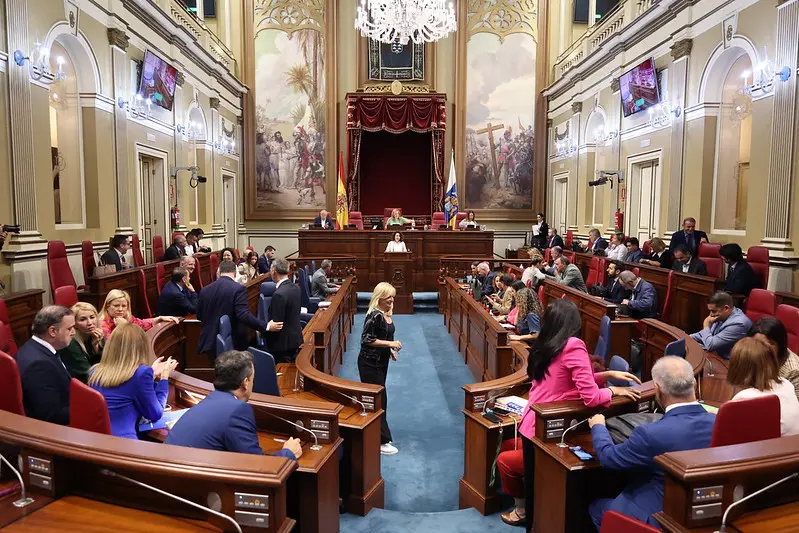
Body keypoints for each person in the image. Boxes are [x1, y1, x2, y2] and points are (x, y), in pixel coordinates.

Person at [511, 299, 641, 528]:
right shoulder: (573, 345)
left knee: (535, 489)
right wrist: (611, 389)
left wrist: (605, 374)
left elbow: (562, 380)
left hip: (532, 422)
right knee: (548, 493)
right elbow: (591, 398)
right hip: (549, 427)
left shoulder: (547, 342)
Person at [587, 356, 716, 528]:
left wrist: (598, 426)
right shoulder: (719, 423)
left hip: (656, 517)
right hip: (702, 513)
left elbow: (608, 458)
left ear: (657, 389)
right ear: (693, 383)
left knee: (596, 507)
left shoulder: (650, 434)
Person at [165, 350, 302, 459]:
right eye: (252, 379)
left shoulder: (210, 400)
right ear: (245, 382)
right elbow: (258, 467)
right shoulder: (238, 410)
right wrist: (288, 453)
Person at [88, 324, 177, 440]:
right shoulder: (141, 374)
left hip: (96, 440)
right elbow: (155, 413)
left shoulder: (95, 371)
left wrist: (152, 374)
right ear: (141, 347)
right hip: (125, 443)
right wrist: (164, 378)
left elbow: (126, 386)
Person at [359, 282, 403, 456]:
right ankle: (381, 440)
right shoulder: (374, 315)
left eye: (393, 296)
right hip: (369, 363)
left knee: (380, 398)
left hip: (381, 362)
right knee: (379, 399)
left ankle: (377, 435)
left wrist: (390, 350)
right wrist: (390, 344)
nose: (391, 300)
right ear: (379, 298)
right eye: (388, 297)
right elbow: (367, 339)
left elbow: (384, 335)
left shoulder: (385, 314)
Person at [197, 261, 272, 356]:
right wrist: (265, 326)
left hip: (209, 341)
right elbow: (243, 315)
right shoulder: (238, 289)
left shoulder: (205, 290)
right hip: (232, 343)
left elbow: (199, 315)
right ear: (235, 273)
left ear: (219, 271)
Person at [727, 337, 799, 436]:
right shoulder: (786, 384)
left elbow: (730, 433)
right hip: (792, 447)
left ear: (737, 367)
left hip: (771, 449)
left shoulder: (744, 398)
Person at [17, 306, 76, 425]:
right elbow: (51, 414)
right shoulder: (39, 365)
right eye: (69, 328)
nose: (74, 332)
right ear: (53, 331)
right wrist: (88, 409)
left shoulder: (33, 346)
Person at [748, 316, 799, 400]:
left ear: (780, 344)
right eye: (757, 343)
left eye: (768, 344)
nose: (761, 349)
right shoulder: (751, 351)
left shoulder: (794, 372)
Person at [690, 291, 752, 359]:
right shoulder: (722, 316)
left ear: (726, 308)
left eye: (714, 311)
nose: (711, 315)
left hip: (728, 363)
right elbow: (703, 335)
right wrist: (687, 338)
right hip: (715, 355)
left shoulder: (739, 323)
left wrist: (706, 324)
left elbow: (710, 345)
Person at [99, 289, 178, 339]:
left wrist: (159, 319)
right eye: (116, 306)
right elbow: (113, 348)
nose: (120, 309)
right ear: (107, 306)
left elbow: (140, 324)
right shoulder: (102, 324)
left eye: (124, 306)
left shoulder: (126, 317)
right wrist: (123, 328)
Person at [266, 258, 304, 363]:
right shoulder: (296, 288)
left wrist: (262, 330)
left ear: (273, 271)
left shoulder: (279, 294)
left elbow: (277, 324)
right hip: (295, 338)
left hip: (282, 345)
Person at [58, 302, 104, 383]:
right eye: (83, 319)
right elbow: (86, 375)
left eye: (92, 317)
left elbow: (108, 363)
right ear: (74, 324)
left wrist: (96, 348)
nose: (90, 323)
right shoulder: (71, 344)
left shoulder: (96, 336)